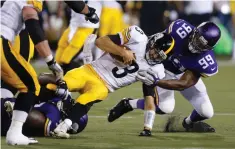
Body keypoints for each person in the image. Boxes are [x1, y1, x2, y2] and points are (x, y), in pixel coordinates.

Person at [44, 25, 175, 138]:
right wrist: (122, 52)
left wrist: (148, 128)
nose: (154, 56)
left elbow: (149, 98)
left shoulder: (157, 69)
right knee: (59, 86)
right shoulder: (137, 36)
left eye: (160, 56)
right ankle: (37, 97)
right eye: (155, 51)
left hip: (104, 85)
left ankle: (63, 126)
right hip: (89, 70)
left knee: (94, 95)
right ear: (152, 42)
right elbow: (101, 41)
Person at [1, 0, 99, 145]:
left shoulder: (54, 115)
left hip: (7, 37)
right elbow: (31, 19)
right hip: (4, 38)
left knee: (22, 82)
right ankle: (14, 134)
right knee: (29, 85)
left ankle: (13, 129)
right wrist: (51, 61)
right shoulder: (56, 108)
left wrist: (88, 12)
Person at [108, 19, 221, 136]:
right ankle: (128, 104)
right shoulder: (180, 29)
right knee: (165, 107)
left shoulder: (206, 61)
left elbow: (184, 83)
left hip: (182, 75)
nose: (196, 45)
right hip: (161, 68)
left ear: (209, 48)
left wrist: (157, 82)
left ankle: (187, 123)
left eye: (202, 45)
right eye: (197, 39)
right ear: (195, 31)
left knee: (206, 112)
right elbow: (156, 41)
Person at [1, 89, 88, 138]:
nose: (72, 105)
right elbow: (42, 77)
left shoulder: (55, 123)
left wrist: (17, 109)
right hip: (7, 100)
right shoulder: (63, 100)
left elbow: (36, 120)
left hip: (5, 121)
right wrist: (59, 85)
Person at [55, 1, 102, 73]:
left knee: (66, 60)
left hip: (88, 27)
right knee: (57, 62)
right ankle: (58, 81)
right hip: (73, 26)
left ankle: (86, 77)